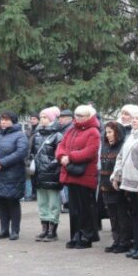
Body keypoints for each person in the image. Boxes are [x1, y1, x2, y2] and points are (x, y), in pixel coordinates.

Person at [57, 105, 103, 249]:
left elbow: (90, 151)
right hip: (71, 174)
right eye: (76, 115)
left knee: (86, 208)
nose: (78, 118)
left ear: (89, 116)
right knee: (74, 209)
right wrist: (61, 156)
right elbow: (61, 146)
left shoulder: (93, 132)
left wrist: (69, 157)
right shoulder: (71, 130)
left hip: (85, 175)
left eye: (82, 115)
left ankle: (86, 236)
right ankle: (75, 235)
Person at [111, 108, 138, 256]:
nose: (134, 120)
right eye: (133, 118)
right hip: (128, 183)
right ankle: (137, 245)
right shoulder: (131, 137)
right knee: (134, 215)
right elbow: (120, 157)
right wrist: (116, 175)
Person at [0, 111, 28, 240]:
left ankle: (15, 230)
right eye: (2, 119)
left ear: (13, 121)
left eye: (7, 119)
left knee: (12, 202)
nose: (3, 121)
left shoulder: (20, 135)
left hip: (13, 175)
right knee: (1, 202)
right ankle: (4, 229)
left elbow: (20, 152)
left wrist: (2, 163)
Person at [31, 107, 64, 242]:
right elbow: (32, 152)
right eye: (41, 117)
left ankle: (52, 230)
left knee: (53, 203)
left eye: (45, 117)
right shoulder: (37, 134)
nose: (42, 119)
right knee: (42, 203)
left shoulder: (58, 135)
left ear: (51, 119)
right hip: (39, 174)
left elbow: (60, 154)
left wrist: (50, 166)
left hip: (52, 174)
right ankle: (44, 229)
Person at [99, 120, 127, 252]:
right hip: (105, 186)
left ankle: (124, 241)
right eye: (106, 132)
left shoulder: (122, 146)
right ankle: (116, 240)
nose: (108, 135)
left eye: (111, 132)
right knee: (112, 215)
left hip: (117, 186)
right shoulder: (105, 146)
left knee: (121, 214)